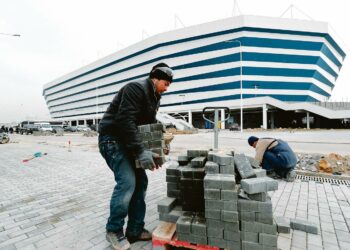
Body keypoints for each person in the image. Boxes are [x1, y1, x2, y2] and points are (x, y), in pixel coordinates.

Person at [98, 62, 173, 250]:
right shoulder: (136, 88)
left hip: (128, 142)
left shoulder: (155, 96)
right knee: (127, 182)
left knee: (141, 183)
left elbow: (147, 125)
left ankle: (135, 230)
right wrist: (140, 151)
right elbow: (125, 120)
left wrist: (160, 144)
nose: (167, 88)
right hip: (113, 140)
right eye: (165, 83)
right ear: (154, 79)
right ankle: (114, 230)